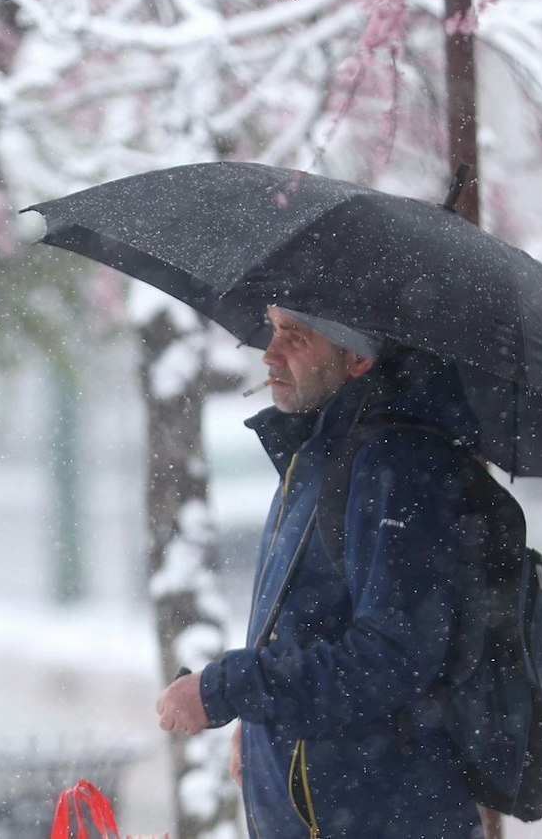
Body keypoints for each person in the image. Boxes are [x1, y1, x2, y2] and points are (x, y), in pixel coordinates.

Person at [154, 306, 485, 839]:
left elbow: (388, 657)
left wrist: (227, 689)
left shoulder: (392, 465)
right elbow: (307, 628)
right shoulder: (321, 456)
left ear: (356, 357)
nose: (270, 353)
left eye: (297, 337)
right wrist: (264, 731)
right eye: (273, 328)